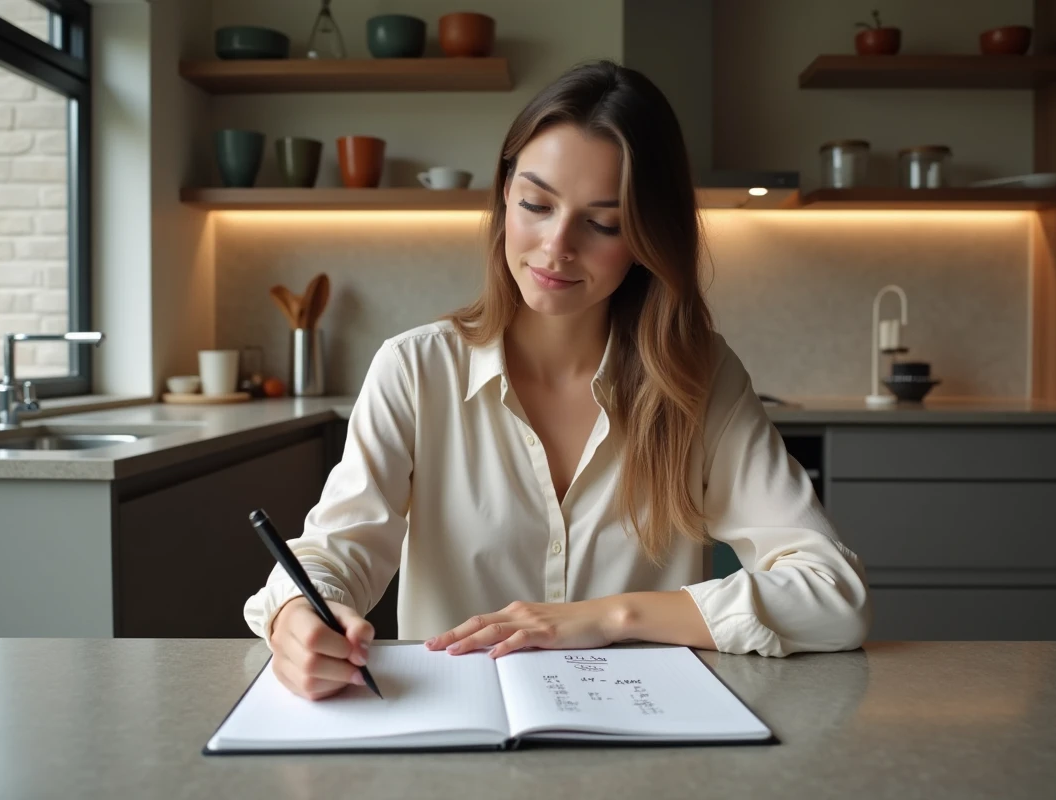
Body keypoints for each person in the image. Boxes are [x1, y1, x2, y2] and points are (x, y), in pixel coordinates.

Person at [243, 60, 871, 701]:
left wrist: (605, 617)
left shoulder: (699, 377)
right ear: (504, 195)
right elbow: (333, 552)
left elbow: (832, 593)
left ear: (648, 237)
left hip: (643, 736)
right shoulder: (414, 370)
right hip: (456, 736)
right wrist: (296, 617)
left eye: (602, 223)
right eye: (536, 204)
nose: (556, 246)